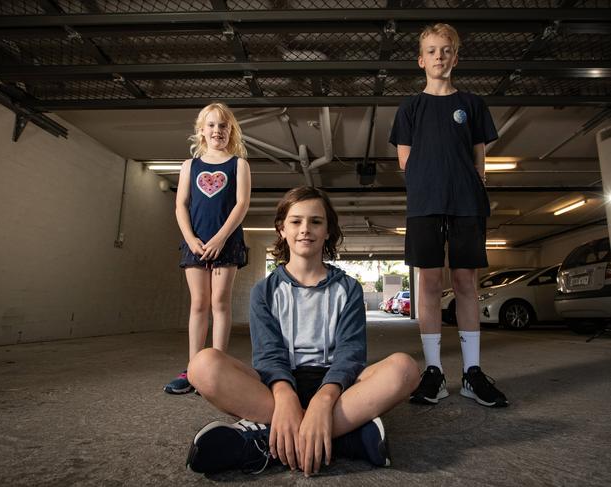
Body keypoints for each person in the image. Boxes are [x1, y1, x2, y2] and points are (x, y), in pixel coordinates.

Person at [185, 187, 419, 476]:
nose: (305, 229)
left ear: (328, 231)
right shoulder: (265, 291)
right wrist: (285, 397)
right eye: (296, 221)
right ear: (282, 229)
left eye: (316, 222)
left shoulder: (349, 289)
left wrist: (323, 400)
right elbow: (269, 356)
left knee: (404, 368)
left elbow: (351, 355)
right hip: (277, 386)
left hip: (337, 386)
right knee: (202, 365)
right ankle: (345, 436)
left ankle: (264, 440)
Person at [389, 23, 509, 408]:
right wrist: (432, 182)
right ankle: (435, 372)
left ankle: (472, 373)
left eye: (446, 50)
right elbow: (405, 161)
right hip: (425, 204)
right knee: (427, 282)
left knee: (465, 281)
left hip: (466, 203)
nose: (439, 56)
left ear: (455, 58)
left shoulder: (472, 104)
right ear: (420, 59)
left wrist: (466, 184)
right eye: (432, 50)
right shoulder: (410, 107)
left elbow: (479, 160)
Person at [164, 102, 251, 395]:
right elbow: (181, 205)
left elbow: (241, 205)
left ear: (231, 131)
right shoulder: (190, 166)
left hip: (225, 242)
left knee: (220, 304)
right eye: (212, 125)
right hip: (196, 242)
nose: (218, 130)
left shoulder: (239, 164)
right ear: (202, 130)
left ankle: (217, 367)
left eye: (223, 126)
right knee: (199, 304)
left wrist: (221, 238)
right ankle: (193, 369)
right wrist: (190, 238)